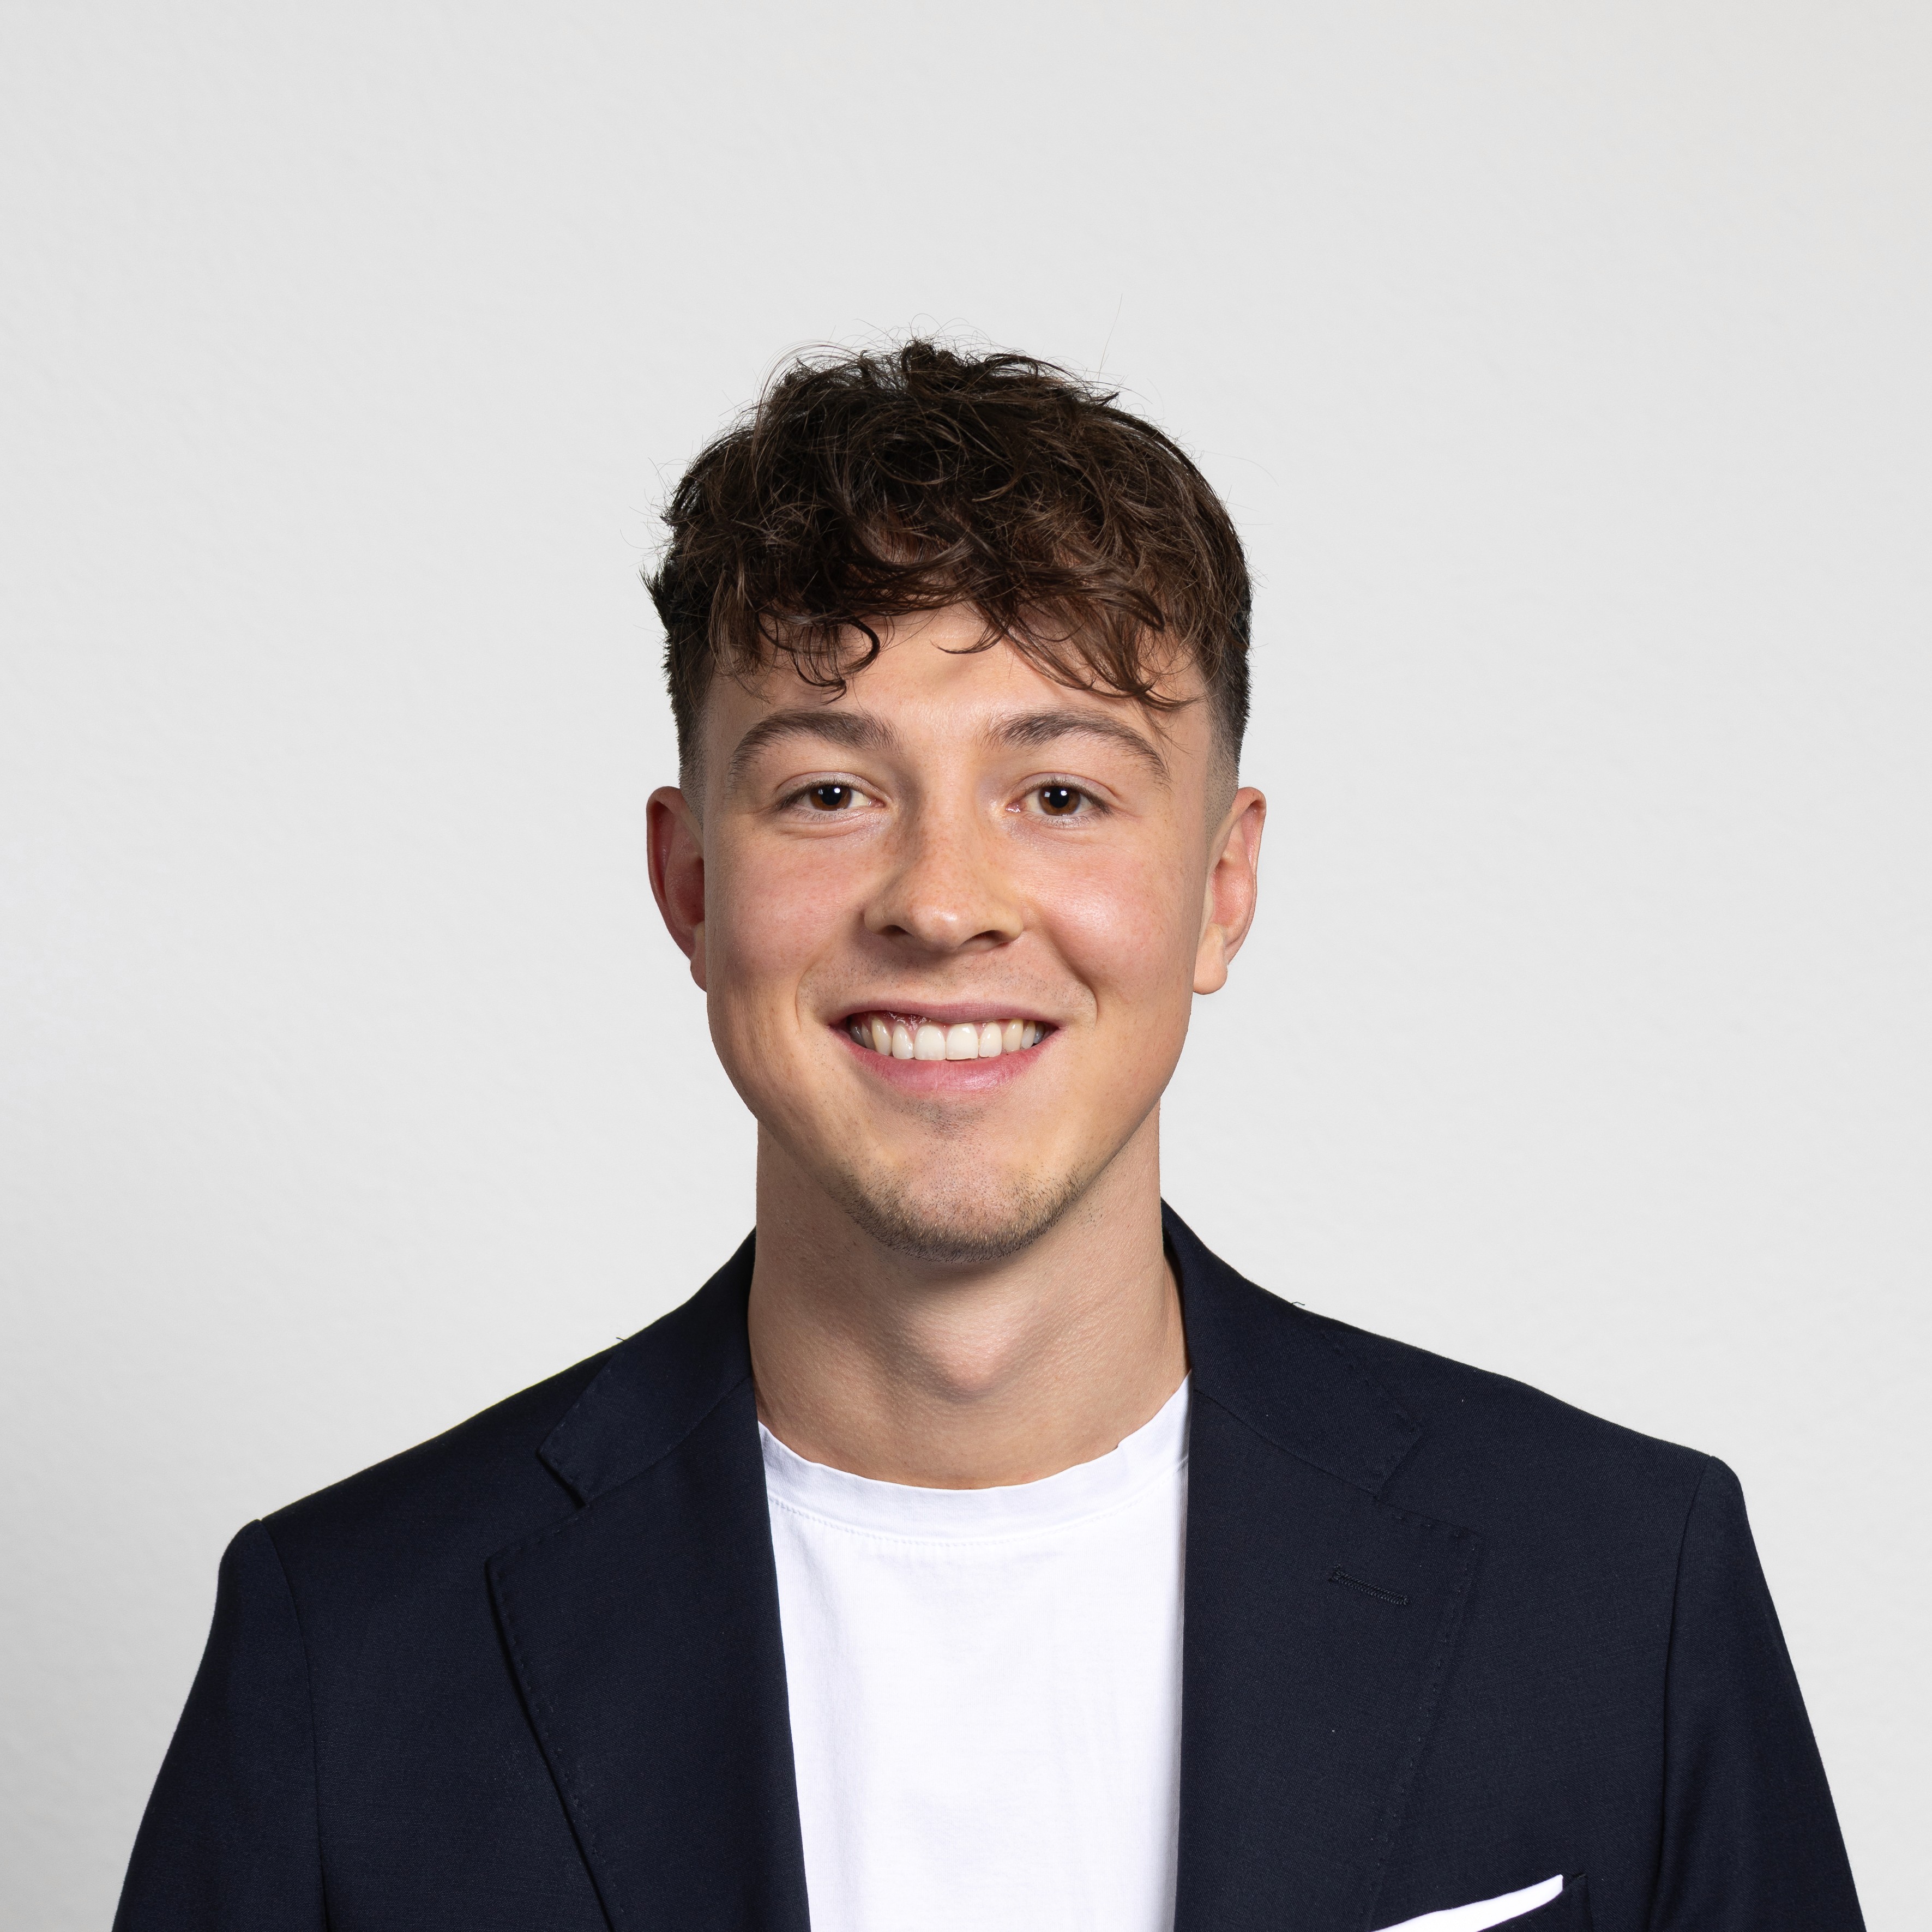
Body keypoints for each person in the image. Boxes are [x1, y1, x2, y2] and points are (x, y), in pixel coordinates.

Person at [113, 342, 1864, 1932]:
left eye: (1062, 794)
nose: (944, 903)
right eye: (829, 792)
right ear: (689, 885)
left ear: (1222, 887)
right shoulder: (345, 1649)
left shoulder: (1624, 1592)